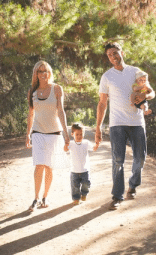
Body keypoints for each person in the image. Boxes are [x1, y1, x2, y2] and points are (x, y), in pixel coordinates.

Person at [95, 42, 156, 210]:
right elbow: (102, 103)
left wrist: (144, 95)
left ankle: (133, 185)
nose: (113, 57)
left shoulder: (136, 72)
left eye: (115, 53)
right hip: (117, 123)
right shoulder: (107, 76)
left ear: (122, 52)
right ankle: (117, 195)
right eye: (109, 55)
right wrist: (98, 127)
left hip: (137, 122)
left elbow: (151, 92)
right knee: (118, 160)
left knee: (140, 158)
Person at [26, 60, 70, 212]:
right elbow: (31, 114)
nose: (43, 74)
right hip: (38, 132)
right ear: (36, 74)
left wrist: (66, 133)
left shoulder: (57, 89)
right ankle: (35, 198)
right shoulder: (32, 91)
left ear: (49, 73)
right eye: (40, 71)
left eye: (46, 71)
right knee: (39, 165)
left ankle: (45, 197)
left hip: (54, 132)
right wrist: (28, 134)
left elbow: (61, 111)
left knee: (49, 166)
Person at [64, 123, 99, 205]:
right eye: (77, 134)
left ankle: (84, 193)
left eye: (81, 134)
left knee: (86, 184)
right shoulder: (71, 143)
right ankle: (76, 198)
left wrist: (97, 144)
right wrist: (66, 144)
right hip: (74, 170)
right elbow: (65, 150)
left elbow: (93, 148)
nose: (79, 136)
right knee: (75, 186)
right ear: (72, 134)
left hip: (85, 170)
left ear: (84, 134)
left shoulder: (86, 142)